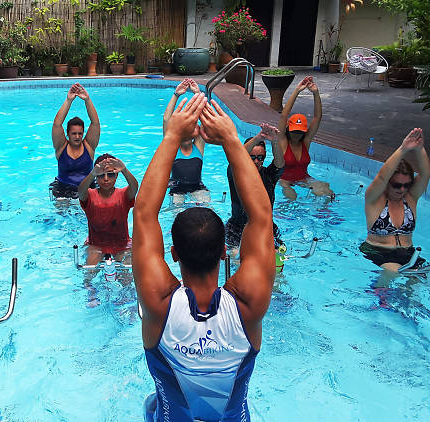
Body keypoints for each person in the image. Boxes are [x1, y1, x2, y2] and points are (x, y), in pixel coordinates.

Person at [133, 93, 274, 422]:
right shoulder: (248, 305)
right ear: (225, 251)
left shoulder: (159, 305)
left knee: (153, 405)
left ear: (173, 254)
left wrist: (171, 137)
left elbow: (143, 214)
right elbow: (262, 216)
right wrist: (231, 139)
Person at [361, 128, 430, 271]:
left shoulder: (410, 198)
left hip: (408, 252)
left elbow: (425, 174)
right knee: (393, 272)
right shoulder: (374, 199)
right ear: (388, 183)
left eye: (407, 185)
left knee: (427, 278)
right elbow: (382, 176)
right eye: (397, 185)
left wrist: (419, 149)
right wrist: (403, 149)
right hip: (378, 251)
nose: (402, 190)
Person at [226, 122, 285, 256]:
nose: (256, 161)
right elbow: (236, 156)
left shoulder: (268, 175)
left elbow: (280, 163)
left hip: (265, 228)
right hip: (238, 228)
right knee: (237, 257)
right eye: (252, 157)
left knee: (277, 258)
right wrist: (259, 137)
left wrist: (275, 141)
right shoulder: (236, 173)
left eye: (260, 158)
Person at [277, 76, 333, 200]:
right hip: (285, 181)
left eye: (300, 132)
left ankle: (323, 216)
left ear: (304, 131)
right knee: (292, 197)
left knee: (327, 192)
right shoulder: (283, 142)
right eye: (294, 131)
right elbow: (283, 115)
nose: (297, 134)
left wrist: (316, 93)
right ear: (288, 129)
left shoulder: (306, 142)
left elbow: (317, 117)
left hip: (304, 178)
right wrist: (297, 90)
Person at [78, 153, 139, 266]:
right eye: (101, 175)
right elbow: (80, 192)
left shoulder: (123, 195)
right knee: (89, 273)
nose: (106, 179)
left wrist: (124, 170)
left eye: (110, 174)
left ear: (116, 176)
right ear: (96, 177)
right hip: (95, 245)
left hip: (122, 245)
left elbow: (135, 187)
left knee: (127, 277)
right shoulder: (90, 195)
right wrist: (92, 174)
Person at [50, 83, 101, 199]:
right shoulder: (61, 147)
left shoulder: (89, 146)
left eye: (80, 133)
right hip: (63, 188)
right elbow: (57, 124)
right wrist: (68, 100)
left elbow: (95, 123)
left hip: (88, 188)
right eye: (74, 133)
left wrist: (87, 100)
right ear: (67, 134)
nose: (77, 137)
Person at [163, 78, 209, 204]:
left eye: (194, 125)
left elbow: (206, 119)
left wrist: (198, 93)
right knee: (176, 211)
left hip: (197, 187)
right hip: (176, 188)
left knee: (207, 209)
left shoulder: (198, 146)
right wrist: (176, 94)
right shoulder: (172, 147)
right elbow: (167, 119)